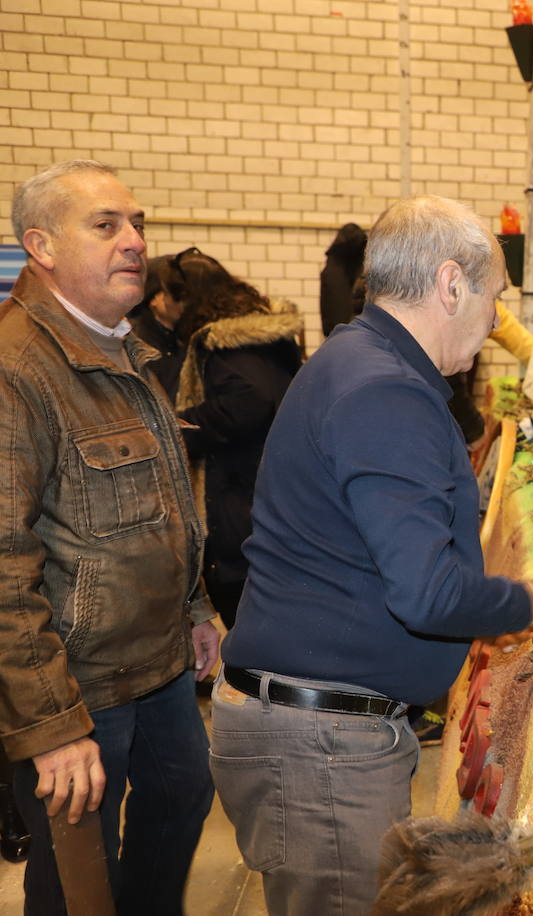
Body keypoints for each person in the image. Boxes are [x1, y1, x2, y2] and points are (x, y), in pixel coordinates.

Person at [211, 195, 533, 915]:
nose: (494, 320)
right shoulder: (383, 392)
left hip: (325, 730)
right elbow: (427, 593)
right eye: (493, 298)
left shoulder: (364, 362)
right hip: (319, 745)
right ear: (451, 285)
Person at [0, 160, 219, 914]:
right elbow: (2, 566)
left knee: (180, 805)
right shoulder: (16, 367)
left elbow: (160, 504)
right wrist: (53, 727)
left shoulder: (122, 348)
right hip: (78, 687)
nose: (135, 241)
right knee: (80, 881)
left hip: (155, 669)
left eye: (138, 224)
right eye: (107, 226)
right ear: (42, 245)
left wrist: (193, 612)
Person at [166, 247, 304, 628]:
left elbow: (250, 400)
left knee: (254, 626)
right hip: (272, 497)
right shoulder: (267, 339)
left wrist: (181, 426)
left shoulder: (228, 347)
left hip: (241, 501)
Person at [126, 254, 187, 398]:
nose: (184, 302)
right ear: (154, 299)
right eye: (176, 294)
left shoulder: (184, 336)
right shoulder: (137, 341)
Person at [319, 222, 368, 337]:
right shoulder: (361, 267)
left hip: (336, 333)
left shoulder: (331, 268)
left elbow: (325, 304)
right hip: (360, 333)